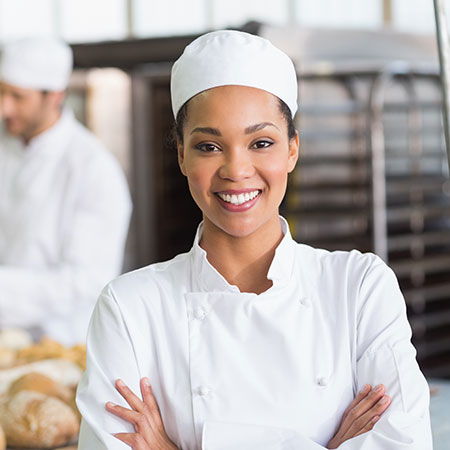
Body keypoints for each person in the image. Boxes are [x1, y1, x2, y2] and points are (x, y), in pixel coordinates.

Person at [76, 30, 432, 449]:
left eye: (261, 142)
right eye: (209, 146)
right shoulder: (129, 307)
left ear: (292, 150)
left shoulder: (359, 286)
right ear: (181, 156)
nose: (236, 169)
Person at [0, 37, 132, 345]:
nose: (4, 107)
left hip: (64, 343)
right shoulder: (5, 150)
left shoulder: (93, 168)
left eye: (18, 97)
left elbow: (86, 281)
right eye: (1, 92)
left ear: (55, 96)